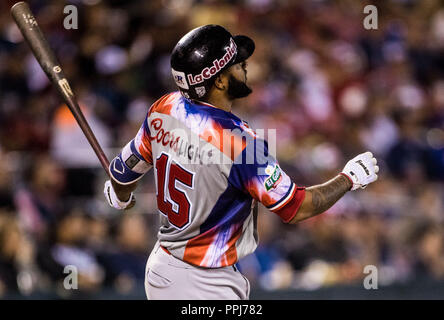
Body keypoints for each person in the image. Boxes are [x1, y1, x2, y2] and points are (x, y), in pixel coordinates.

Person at [103, 24, 379, 300]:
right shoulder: (240, 144)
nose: (244, 66)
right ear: (220, 81)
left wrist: (120, 196)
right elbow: (296, 208)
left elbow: (123, 171)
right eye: (236, 64)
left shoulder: (164, 107)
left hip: (162, 268)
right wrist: (349, 179)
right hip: (204, 283)